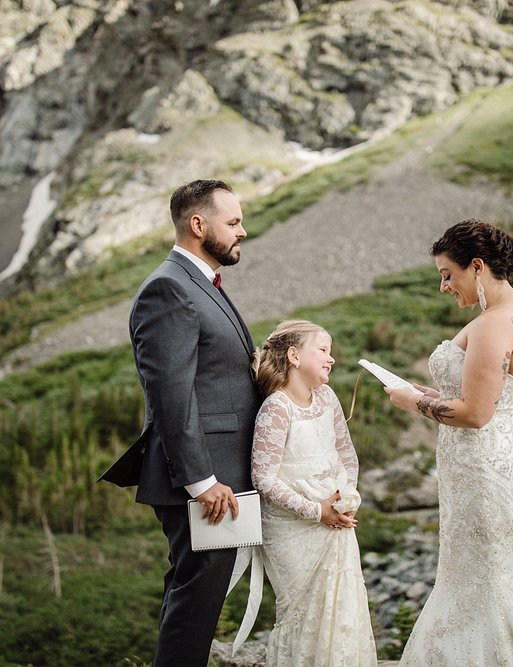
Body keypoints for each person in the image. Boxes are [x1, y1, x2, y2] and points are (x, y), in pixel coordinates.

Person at [385, 220, 513, 666]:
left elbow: (476, 414)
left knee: (485, 579)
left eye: (447, 274)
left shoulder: (495, 324)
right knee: (499, 576)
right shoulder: (511, 309)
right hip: (500, 463)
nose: (443, 286)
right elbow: (486, 396)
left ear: (477, 267)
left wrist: (412, 401)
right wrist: (435, 397)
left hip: (485, 473)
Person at [99, 179, 261, 666]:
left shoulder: (199, 283)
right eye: (233, 222)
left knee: (192, 593)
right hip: (200, 480)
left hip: (217, 475)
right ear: (198, 224)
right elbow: (170, 395)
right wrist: (201, 481)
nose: (243, 231)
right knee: (196, 600)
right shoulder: (168, 288)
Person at [250, 319, 378, 666]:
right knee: (306, 613)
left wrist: (347, 496)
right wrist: (316, 511)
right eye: (323, 349)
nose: (331, 358)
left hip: (335, 519)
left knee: (342, 607)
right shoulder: (277, 408)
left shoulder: (327, 397)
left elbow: (346, 454)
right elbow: (263, 478)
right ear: (293, 355)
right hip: (294, 529)